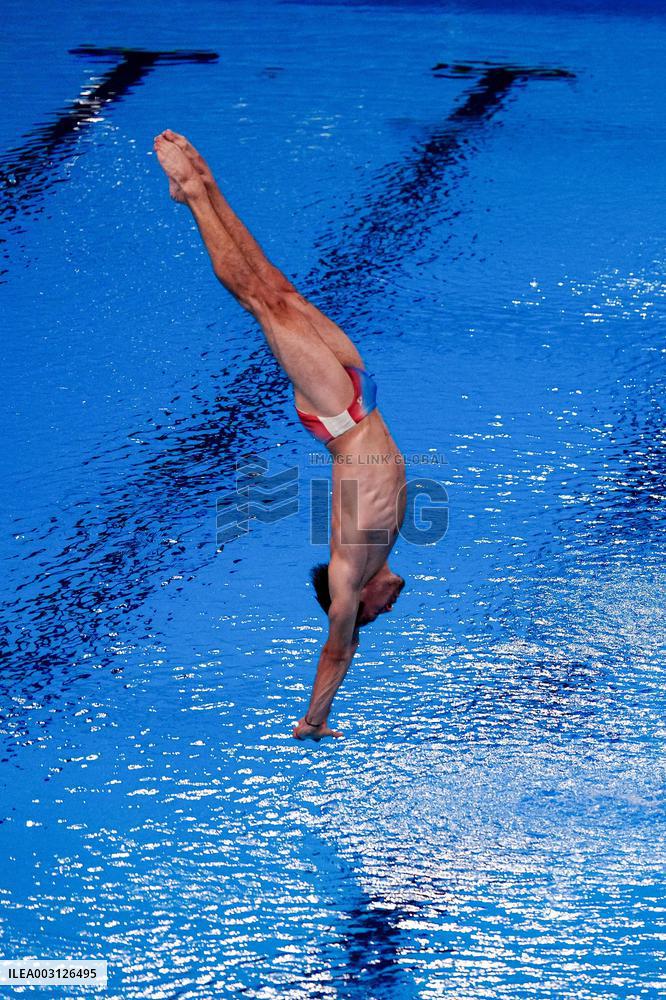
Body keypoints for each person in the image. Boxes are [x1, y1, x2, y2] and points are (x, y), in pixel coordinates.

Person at [154, 130, 406, 741]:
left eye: (383, 613)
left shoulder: (347, 577)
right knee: (278, 286)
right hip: (359, 394)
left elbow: (337, 653)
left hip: (338, 415)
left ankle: (192, 200)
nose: (392, 607)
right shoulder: (385, 548)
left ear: (357, 607)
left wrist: (315, 720)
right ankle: (206, 188)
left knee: (261, 303)